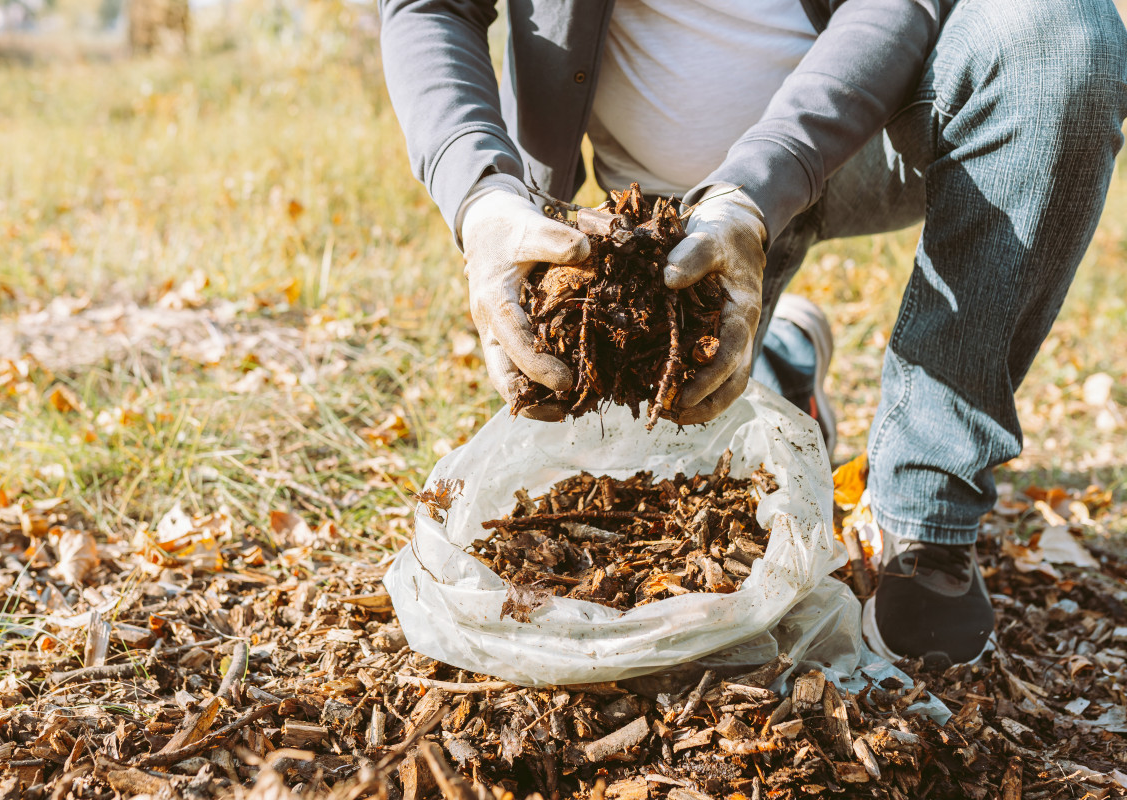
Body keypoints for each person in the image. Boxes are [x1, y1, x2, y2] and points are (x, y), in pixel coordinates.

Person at [378, 0, 1127, 667]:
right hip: (660, 223)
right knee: (667, 463)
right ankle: (783, 361)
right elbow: (428, 6)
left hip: (874, 135)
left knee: (1061, 35)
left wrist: (758, 189)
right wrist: (480, 196)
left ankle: (927, 514)